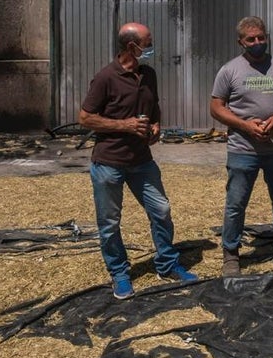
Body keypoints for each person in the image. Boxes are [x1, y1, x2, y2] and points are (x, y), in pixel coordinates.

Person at [79, 22, 198, 299]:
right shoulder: (105, 78)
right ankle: (119, 273)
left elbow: (154, 107)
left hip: (142, 161)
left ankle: (167, 264)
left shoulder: (148, 74)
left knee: (161, 210)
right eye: (148, 42)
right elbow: (85, 118)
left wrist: (156, 126)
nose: (152, 46)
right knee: (109, 222)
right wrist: (125, 125)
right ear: (132, 46)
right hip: (109, 162)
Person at [210, 16, 273, 277]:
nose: (257, 43)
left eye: (261, 38)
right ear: (240, 42)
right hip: (243, 150)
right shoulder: (230, 70)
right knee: (236, 203)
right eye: (251, 39)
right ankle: (231, 254)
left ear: (267, 37)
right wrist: (245, 125)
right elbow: (216, 107)